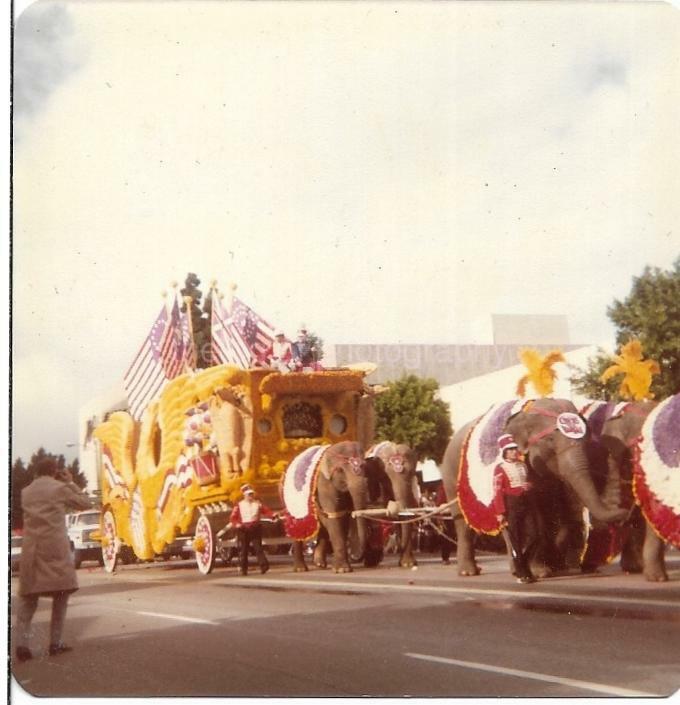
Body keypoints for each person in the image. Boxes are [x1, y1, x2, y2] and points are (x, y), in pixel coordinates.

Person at [14, 458, 92, 662]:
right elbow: (85, 503)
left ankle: (22, 645)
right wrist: (70, 482)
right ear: (55, 472)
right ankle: (55, 643)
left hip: (32, 549)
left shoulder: (26, 492)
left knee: (28, 599)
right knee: (61, 596)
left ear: (36, 472)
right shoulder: (59, 488)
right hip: (55, 550)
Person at [492, 434, 539, 584]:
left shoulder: (522, 465)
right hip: (511, 505)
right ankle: (522, 573)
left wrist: (529, 486)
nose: (514, 452)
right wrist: (499, 512)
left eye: (514, 449)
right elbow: (497, 491)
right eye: (510, 450)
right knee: (516, 540)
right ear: (504, 452)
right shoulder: (500, 469)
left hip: (526, 503)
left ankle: (523, 563)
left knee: (535, 535)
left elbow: (529, 482)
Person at [229, 484, 277, 576]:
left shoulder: (258, 503)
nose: (250, 496)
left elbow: (267, 511)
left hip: (255, 528)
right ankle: (243, 569)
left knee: (258, 548)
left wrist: (273, 515)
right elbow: (233, 518)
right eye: (248, 494)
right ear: (244, 495)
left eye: (251, 494)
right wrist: (237, 525)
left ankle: (264, 567)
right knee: (244, 550)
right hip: (243, 529)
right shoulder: (239, 505)